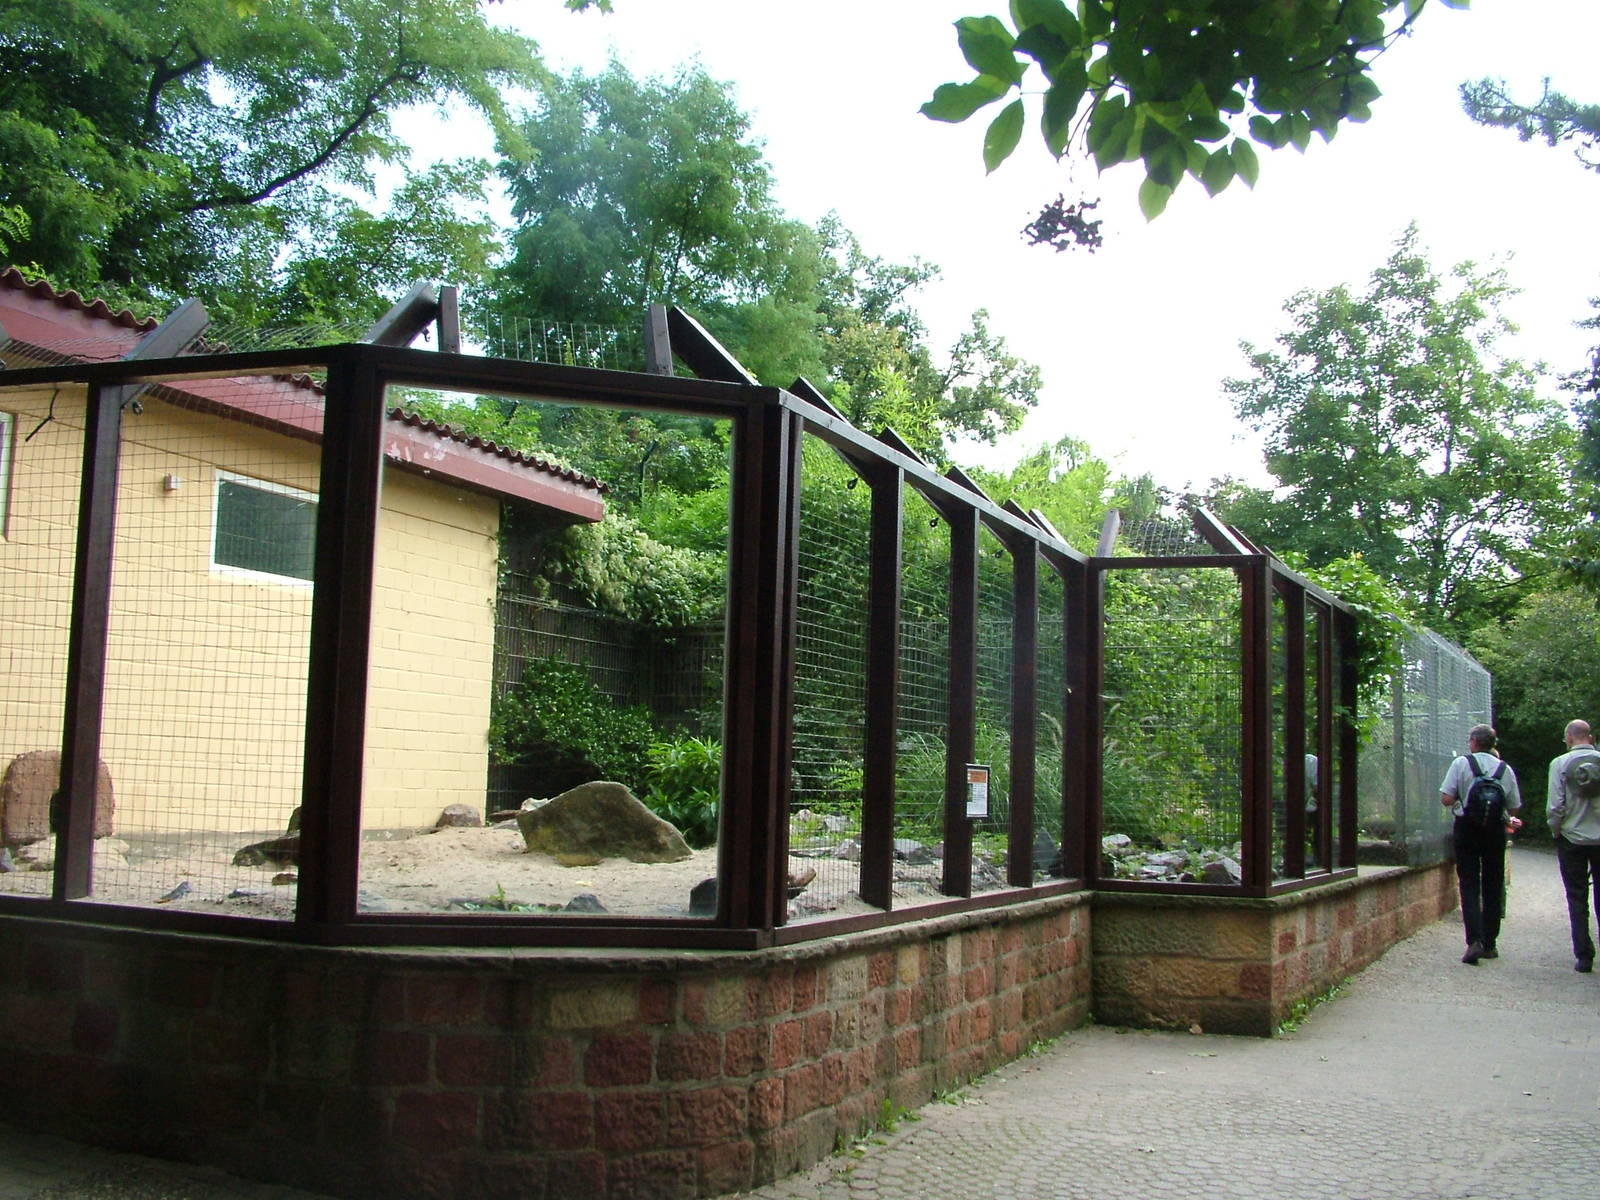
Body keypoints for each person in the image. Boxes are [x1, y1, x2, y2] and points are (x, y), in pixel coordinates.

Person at [1439, 724, 1523, 964]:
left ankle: (1473, 940)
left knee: (1469, 883)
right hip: (1495, 831)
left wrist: (1461, 800)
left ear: (1474, 742)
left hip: (1466, 828)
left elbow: (1446, 798)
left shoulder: (1461, 764)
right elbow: (1514, 805)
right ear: (1493, 744)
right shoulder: (1504, 769)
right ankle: (1490, 943)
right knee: (1493, 884)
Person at [1547, 719, 1600, 973]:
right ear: (1590, 737)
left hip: (1571, 838)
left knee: (1577, 896)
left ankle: (1584, 956)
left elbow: (1555, 806)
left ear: (1568, 738)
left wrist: (1557, 831)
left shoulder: (1559, 764)